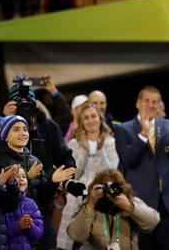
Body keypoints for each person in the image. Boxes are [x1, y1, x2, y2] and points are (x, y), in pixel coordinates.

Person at [1, 77, 76, 249]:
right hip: (11, 209)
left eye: (28, 104)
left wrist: (67, 177)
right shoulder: (3, 129)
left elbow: (65, 156)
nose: (24, 108)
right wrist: (3, 121)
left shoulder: (48, 127)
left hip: (42, 204)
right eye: (19, 104)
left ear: (35, 105)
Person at [114, 86, 169, 250]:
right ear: (137, 103)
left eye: (155, 101)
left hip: (168, 202)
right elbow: (128, 161)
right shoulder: (123, 129)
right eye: (146, 100)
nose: (151, 104)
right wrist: (142, 135)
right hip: (142, 203)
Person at [57, 103, 119, 250]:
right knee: (72, 199)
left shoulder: (110, 142)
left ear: (100, 118)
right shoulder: (73, 144)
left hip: (100, 189)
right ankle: (64, 247)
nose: (91, 120)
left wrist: (100, 150)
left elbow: (111, 171)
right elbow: (74, 173)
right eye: (86, 118)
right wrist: (85, 151)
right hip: (78, 191)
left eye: (94, 116)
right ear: (82, 122)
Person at [67, 169, 161, 250]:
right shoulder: (90, 205)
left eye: (114, 187)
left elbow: (153, 222)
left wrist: (129, 207)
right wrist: (91, 205)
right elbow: (76, 235)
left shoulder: (131, 202)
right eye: (106, 188)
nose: (110, 192)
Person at [6, 167, 44, 250]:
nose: (21, 179)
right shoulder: (3, 202)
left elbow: (38, 234)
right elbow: (1, 231)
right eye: (16, 176)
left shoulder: (31, 204)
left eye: (24, 176)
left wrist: (30, 225)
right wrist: (19, 226)